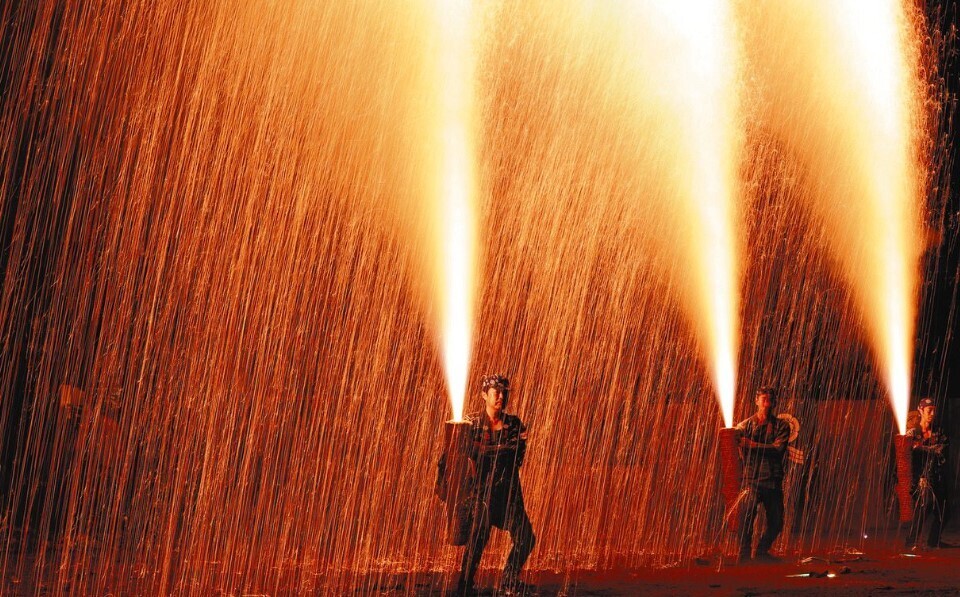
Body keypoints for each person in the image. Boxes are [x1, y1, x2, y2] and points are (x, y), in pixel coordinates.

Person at [454, 374, 535, 595]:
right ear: (484, 395)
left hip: (508, 494)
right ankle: (464, 585)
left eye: (504, 392)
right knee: (478, 539)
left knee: (526, 537)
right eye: (496, 392)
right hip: (482, 494)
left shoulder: (513, 424)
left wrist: (500, 451)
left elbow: (517, 458)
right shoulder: (471, 424)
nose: (501, 396)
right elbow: (459, 457)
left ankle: (508, 579)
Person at [735, 386, 790, 563]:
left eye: (770, 399)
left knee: (776, 522)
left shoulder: (781, 425)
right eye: (764, 398)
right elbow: (734, 436)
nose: (767, 402)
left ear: (774, 402)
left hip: (772, 480)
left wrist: (752, 445)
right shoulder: (745, 425)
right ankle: (744, 554)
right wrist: (733, 434)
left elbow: (778, 449)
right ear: (756, 400)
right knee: (746, 517)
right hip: (751, 480)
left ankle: (761, 551)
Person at [905, 397, 949, 550]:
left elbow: (941, 450)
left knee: (945, 508)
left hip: (936, 475)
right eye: (929, 411)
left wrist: (921, 448)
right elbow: (906, 452)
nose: (932, 414)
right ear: (920, 411)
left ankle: (933, 541)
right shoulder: (913, 432)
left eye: (934, 411)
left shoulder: (938, 431)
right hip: (919, 477)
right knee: (925, 506)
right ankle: (911, 542)